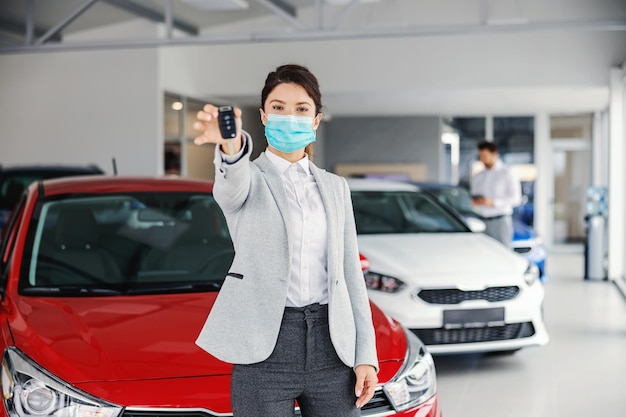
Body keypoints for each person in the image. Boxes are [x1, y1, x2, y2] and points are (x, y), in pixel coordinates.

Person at [193, 64, 378, 417]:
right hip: (265, 346)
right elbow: (231, 187)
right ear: (263, 116)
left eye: (301, 109)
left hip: (332, 345)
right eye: (278, 108)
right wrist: (231, 145)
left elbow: (351, 276)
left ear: (316, 120)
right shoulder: (249, 178)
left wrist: (365, 356)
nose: (289, 117)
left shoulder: (335, 187)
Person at [470, 140, 522, 246]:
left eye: (485, 156)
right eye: (480, 156)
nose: (482, 159)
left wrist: (493, 203)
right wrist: (476, 201)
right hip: (481, 220)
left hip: (500, 220)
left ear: (494, 154)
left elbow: (516, 198)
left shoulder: (507, 172)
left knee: (504, 253)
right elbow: (474, 194)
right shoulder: (479, 175)